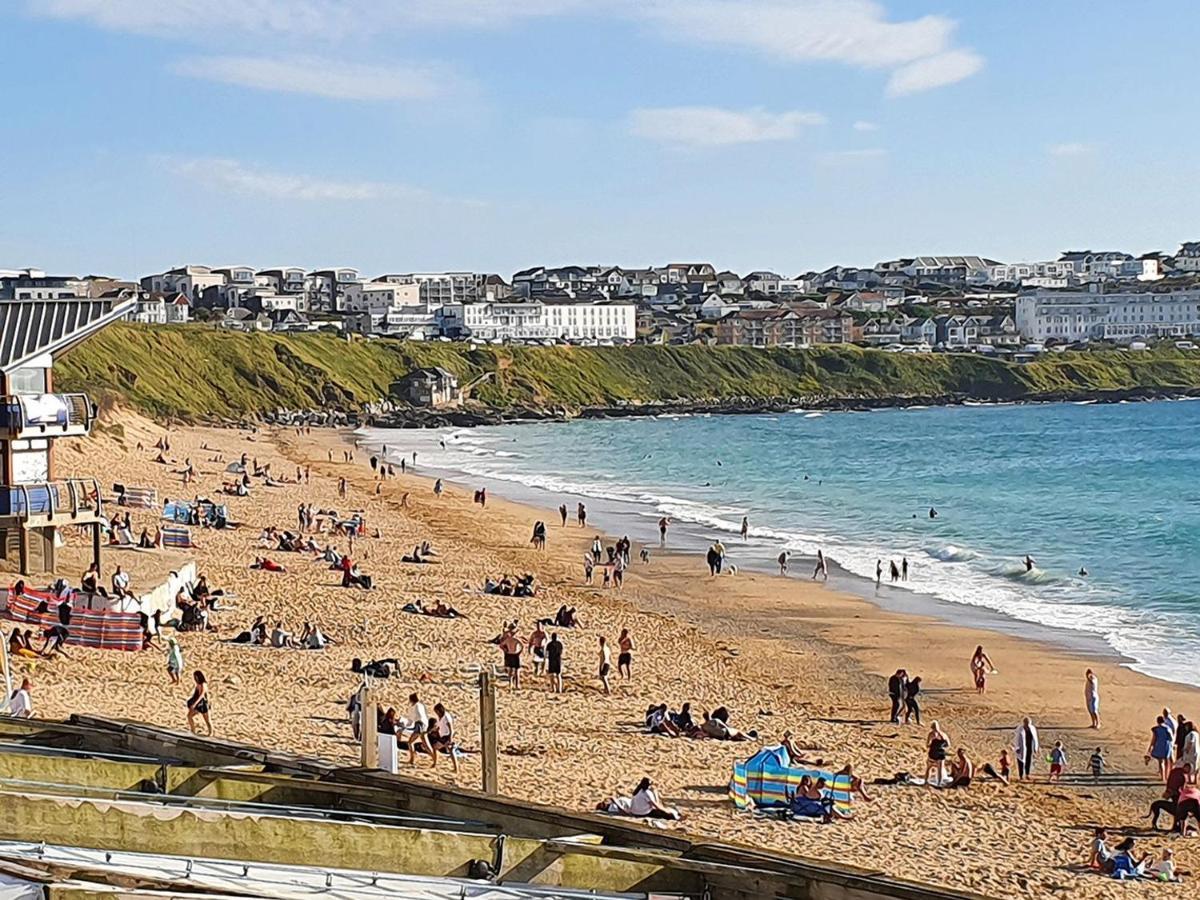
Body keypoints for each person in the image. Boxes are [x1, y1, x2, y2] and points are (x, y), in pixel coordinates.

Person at [405, 693, 433, 766]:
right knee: (425, 744)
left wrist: (405, 725)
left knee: (410, 742)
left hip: (419, 725)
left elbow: (413, 718)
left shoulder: (415, 706)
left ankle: (412, 759)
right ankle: (434, 757)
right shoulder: (420, 705)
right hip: (424, 724)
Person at [1147, 715, 1175, 782]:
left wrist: (1151, 747)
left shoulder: (1156, 729)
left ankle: (1163, 777)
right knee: (1167, 761)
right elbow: (1171, 738)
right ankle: (1167, 776)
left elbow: (1154, 739)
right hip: (1166, 746)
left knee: (1161, 762)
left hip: (1159, 745)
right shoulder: (1167, 728)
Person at [431, 703, 458, 773]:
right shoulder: (440, 717)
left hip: (447, 737)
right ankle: (455, 768)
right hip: (442, 736)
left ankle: (435, 763)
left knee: (436, 747)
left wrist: (450, 739)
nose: (436, 713)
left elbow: (451, 729)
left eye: (437, 711)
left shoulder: (446, 717)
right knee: (450, 751)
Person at [1014, 716, 1039, 781]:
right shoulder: (1019, 729)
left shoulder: (1032, 728)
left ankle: (1027, 774)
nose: (1027, 725)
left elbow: (1035, 738)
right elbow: (1016, 739)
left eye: (1028, 723)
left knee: (1029, 760)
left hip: (1029, 747)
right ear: (1023, 723)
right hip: (1021, 747)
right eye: (1026, 723)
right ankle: (1021, 775)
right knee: (1020, 761)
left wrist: (1035, 748)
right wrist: (1017, 747)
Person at [925, 721, 950, 787]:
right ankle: (939, 783)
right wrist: (941, 745)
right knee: (940, 768)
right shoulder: (943, 734)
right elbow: (948, 744)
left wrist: (932, 745)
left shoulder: (931, 734)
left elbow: (927, 744)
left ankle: (926, 781)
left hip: (933, 752)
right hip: (941, 752)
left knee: (929, 767)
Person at [187, 670, 212, 736]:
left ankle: (210, 733)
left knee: (207, 720)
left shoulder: (203, 684)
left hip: (203, 704)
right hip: (198, 704)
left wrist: (195, 704)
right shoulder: (198, 684)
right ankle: (193, 730)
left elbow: (202, 695)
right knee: (189, 716)